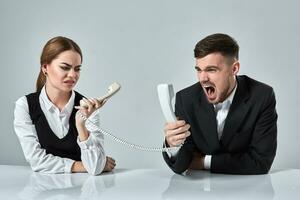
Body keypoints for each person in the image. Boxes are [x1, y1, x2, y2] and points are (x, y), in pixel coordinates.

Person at [162, 33, 277, 175]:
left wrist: (204, 162)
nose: (203, 79)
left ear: (234, 69)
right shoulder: (185, 99)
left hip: (246, 191)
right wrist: (173, 145)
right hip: (199, 192)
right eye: (199, 70)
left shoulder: (262, 96)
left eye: (211, 70)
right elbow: (181, 165)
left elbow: (260, 162)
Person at [14, 36, 116, 175]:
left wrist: (81, 126)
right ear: (45, 67)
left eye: (77, 69)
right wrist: (81, 166)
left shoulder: (88, 108)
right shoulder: (25, 105)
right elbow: (36, 161)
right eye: (65, 67)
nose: (73, 75)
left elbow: (95, 168)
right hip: (41, 190)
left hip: (84, 191)